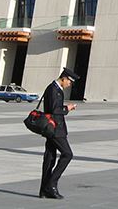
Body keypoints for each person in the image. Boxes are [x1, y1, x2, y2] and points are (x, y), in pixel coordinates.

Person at [39, 68, 80, 199]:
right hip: (56, 129)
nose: (70, 84)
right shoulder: (53, 89)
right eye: (69, 82)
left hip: (53, 129)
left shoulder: (54, 88)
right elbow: (54, 109)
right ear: (64, 78)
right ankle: (51, 185)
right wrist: (67, 108)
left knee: (50, 158)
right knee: (67, 154)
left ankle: (44, 190)